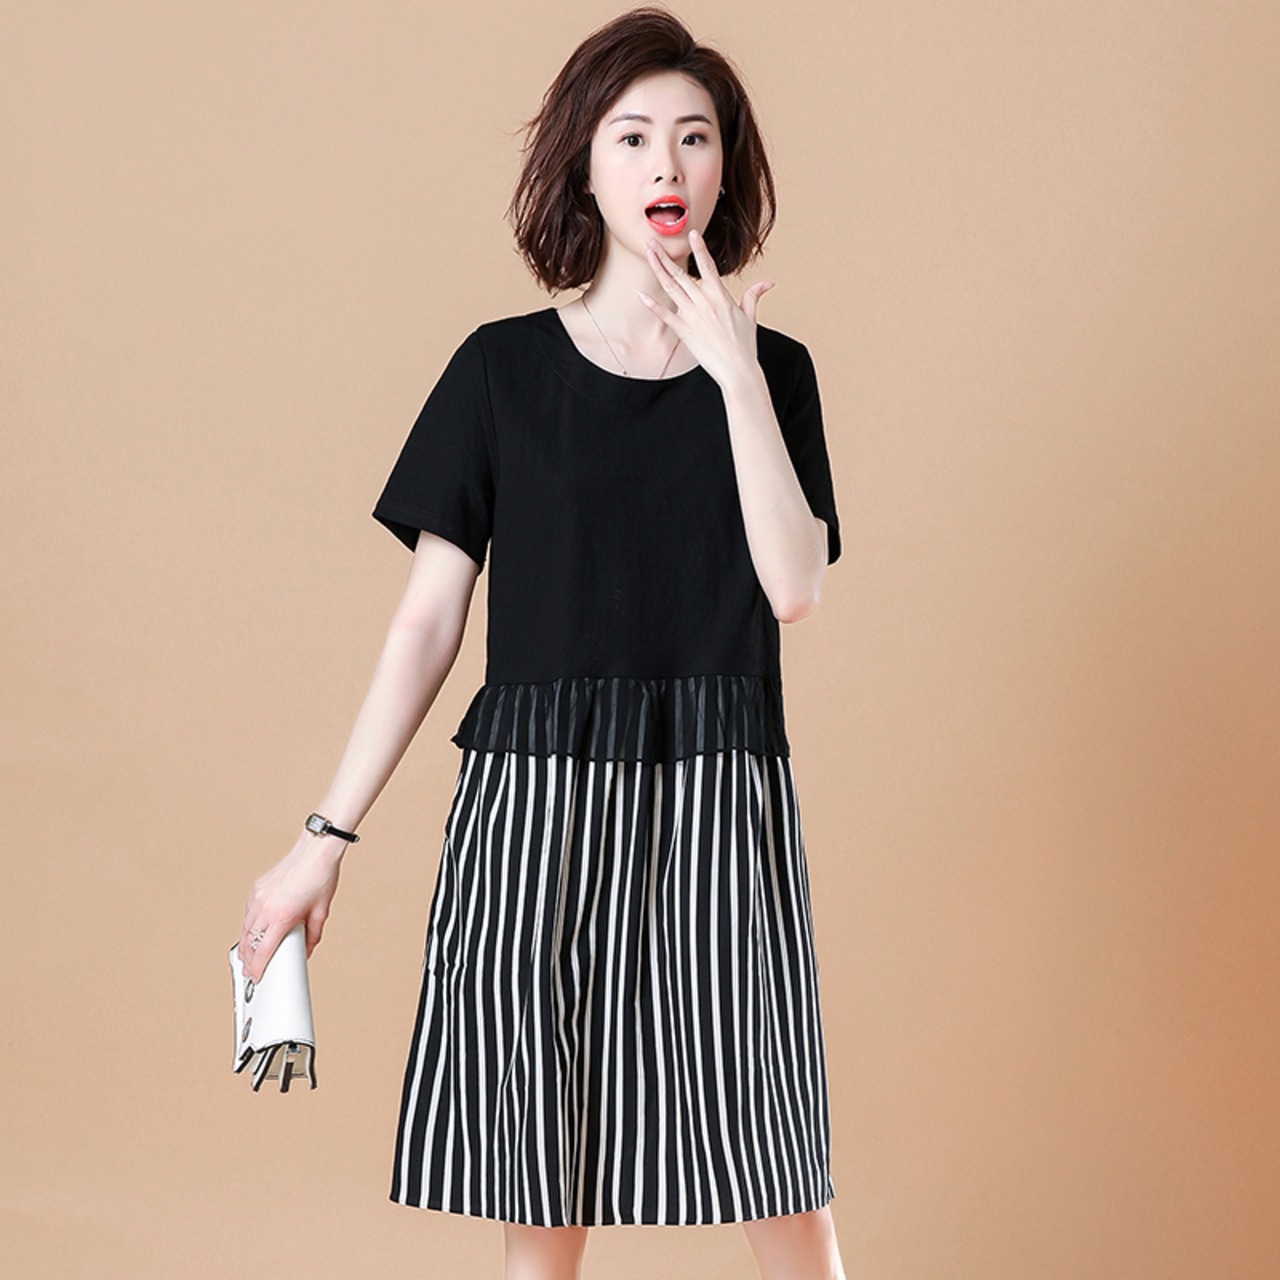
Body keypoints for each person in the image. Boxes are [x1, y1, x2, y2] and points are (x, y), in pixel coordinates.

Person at [237, 8, 846, 1278]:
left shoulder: (774, 373)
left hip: (716, 798)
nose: (666, 162)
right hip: (533, 803)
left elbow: (792, 586)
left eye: (694, 136)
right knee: (539, 1184)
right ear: (584, 167)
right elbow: (427, 619)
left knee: (774, 1156)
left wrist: (734, 377)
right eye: (632, 136)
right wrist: (320, 839)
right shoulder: (500, 372)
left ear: (725, 166)